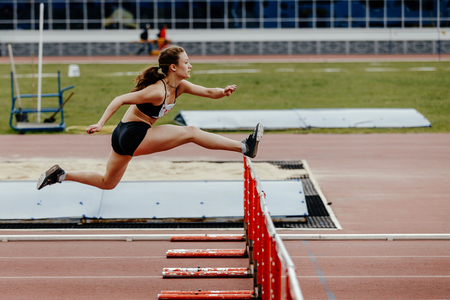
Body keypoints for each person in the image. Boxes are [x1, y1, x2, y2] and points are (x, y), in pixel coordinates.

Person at [37, 45, 263, 191]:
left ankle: (61, 175)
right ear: (173, 67)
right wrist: (100, 123)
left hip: (122, 137)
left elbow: (208, 92)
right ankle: (244, 146)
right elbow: (119, 98)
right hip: (135, 134)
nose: (190, 65)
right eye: (186, 62)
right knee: (191, 132)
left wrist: (223, 92)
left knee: (108, 183)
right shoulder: (157, 90)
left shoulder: (180, 85)